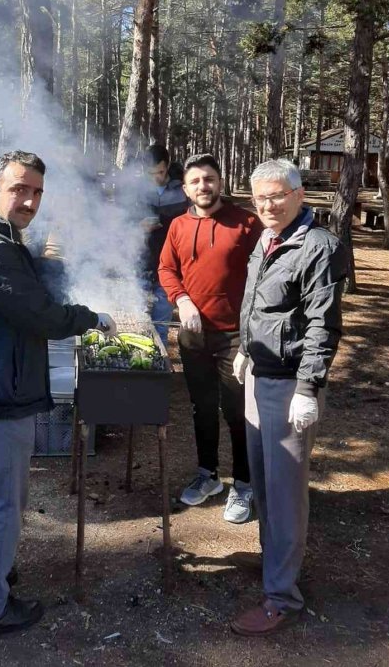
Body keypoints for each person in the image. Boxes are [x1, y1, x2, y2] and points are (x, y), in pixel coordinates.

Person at [0, 150, 116, 640]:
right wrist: (91, 318)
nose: (30, 200)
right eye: (19, 188)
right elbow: (40, 315)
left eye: (37, 191)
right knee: (2, 504)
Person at [230, 158, 347, 637]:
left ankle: (283, 598)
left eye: (277, 195)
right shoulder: (267, 239)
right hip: (260, 375)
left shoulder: (318, 245)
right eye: (259, 198)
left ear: (299, 195)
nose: (267, 205)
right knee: (263, 486)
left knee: (283, 494)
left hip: (288, 385)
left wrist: (308, 388)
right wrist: (243, 349)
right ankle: (273, 570)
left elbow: (324, 323)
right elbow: (258, 301)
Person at [158, 153, 262, 522]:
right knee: (201, 407)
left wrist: (251, 333)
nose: (203, 186)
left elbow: (264, 277)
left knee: (237, 411)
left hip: (235, 335)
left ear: (220, 182)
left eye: (209, 179)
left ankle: (244, 485)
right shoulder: (178, 227)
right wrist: (182, 300)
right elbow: (166, 269)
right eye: (196, 181)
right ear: (185, 189)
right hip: (193, 335)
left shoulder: (247, 223)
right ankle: (208, 476)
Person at [140, 144, 189, 346]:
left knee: (161, 322)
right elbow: (120, 222)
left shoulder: (184, 189)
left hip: (171, 265)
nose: (156, 178)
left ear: (167, 166)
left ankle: (158, 367)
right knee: (139, 320)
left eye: (160, 172)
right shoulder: (135, 190)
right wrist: (138, 226)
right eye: (151, 174)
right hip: (141, 262)